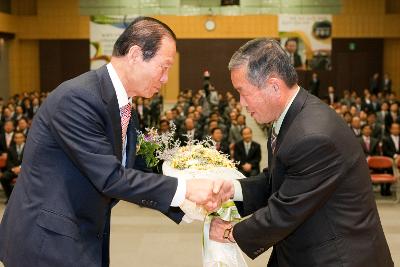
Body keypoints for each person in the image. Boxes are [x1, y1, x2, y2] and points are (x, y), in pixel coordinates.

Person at [0, 17, 230, 267]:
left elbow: (133, 167)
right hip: (47, 240)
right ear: (135, 55)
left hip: (83, 233)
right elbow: (110, 177)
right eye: (163, 67)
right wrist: (186, 189)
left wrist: (190, 208)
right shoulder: (78, 99)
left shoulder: (124, 105)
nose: (165, 79)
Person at [209, 38, 393, 266]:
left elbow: (285, 210)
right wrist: (232, 190)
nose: (241, 103)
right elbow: (278, 180)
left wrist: (231, 233)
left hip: (337, 258)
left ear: (274, 86)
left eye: (243, 92)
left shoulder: (312, 135)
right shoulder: (292, 116)